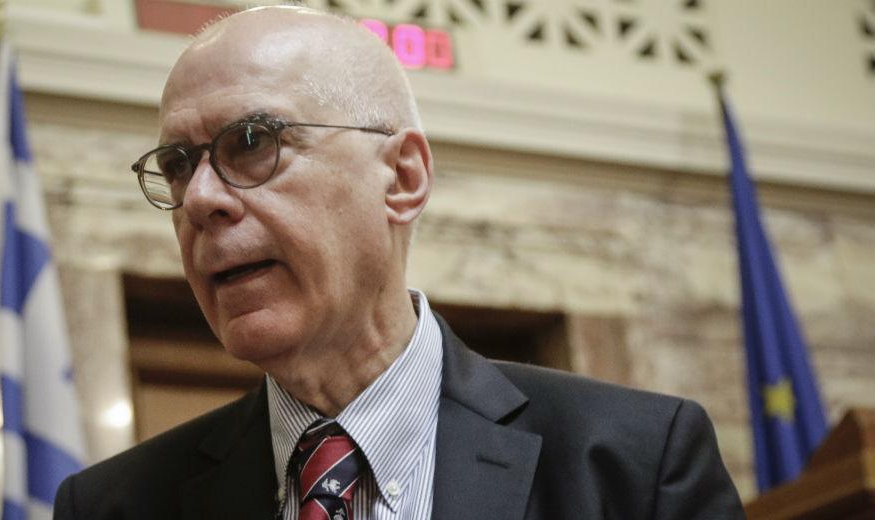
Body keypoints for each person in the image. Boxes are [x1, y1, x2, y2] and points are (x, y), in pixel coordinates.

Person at [54, 6, 744, 519]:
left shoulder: (633, 465)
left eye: (253, 142)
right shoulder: (114, 506)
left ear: (403, 177)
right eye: (178, 165)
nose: (201, 199)